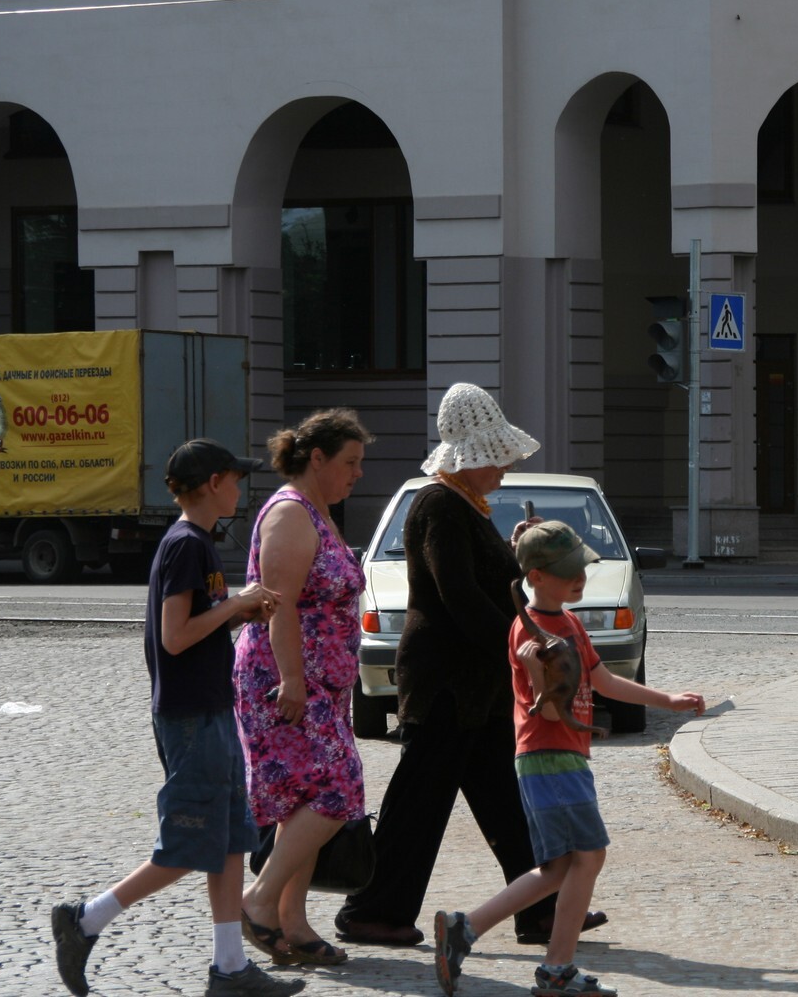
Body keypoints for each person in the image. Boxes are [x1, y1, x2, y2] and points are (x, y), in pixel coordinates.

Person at [336, 383, 603, 948]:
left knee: (506, 802)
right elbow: (457, 594)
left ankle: (542, 909)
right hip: (445, 684)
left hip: (475, 684)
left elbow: (487, 584)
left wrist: (516, 554)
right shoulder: (439, 505)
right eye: (498, 455)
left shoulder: (465, 507)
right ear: (472, 456)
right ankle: (371, 911)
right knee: (419, 802)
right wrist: (524, 645)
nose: (506, 465)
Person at [51, 440, 300, 997]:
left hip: (210, 709)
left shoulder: (197, 543)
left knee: (230, 840)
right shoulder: (187, 545)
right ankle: (85, 920)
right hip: (191, 718)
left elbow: (195, 629)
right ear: (213, 483)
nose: (241, 489)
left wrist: (239, 613)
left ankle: (230, 967)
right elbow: (175, 636)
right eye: (236, 478)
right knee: (190, 844)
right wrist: (235, 604)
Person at [431, 521, 707, 997]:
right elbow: (546, 709)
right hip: (549, 756)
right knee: (589, 856)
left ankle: (466, 928)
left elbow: (603, 681)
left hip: (562, 758)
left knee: (558, 869)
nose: (579, 578)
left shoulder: (570, 623)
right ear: (536, 577)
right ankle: (556, 968)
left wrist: (667, 700)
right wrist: (535, 670)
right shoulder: (527, 631)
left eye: (581, 568)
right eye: (567, 571)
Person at [234, 409, 372, 966]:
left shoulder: (319, 512)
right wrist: (293, 679)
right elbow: (279, 603)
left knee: (306, 800)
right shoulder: (291, 512)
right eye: (350, 462)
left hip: (322, 684)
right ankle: (259, 901)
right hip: (285, 680)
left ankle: (292, 921)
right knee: (339, 791)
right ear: (317, 459)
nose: (358, 473)